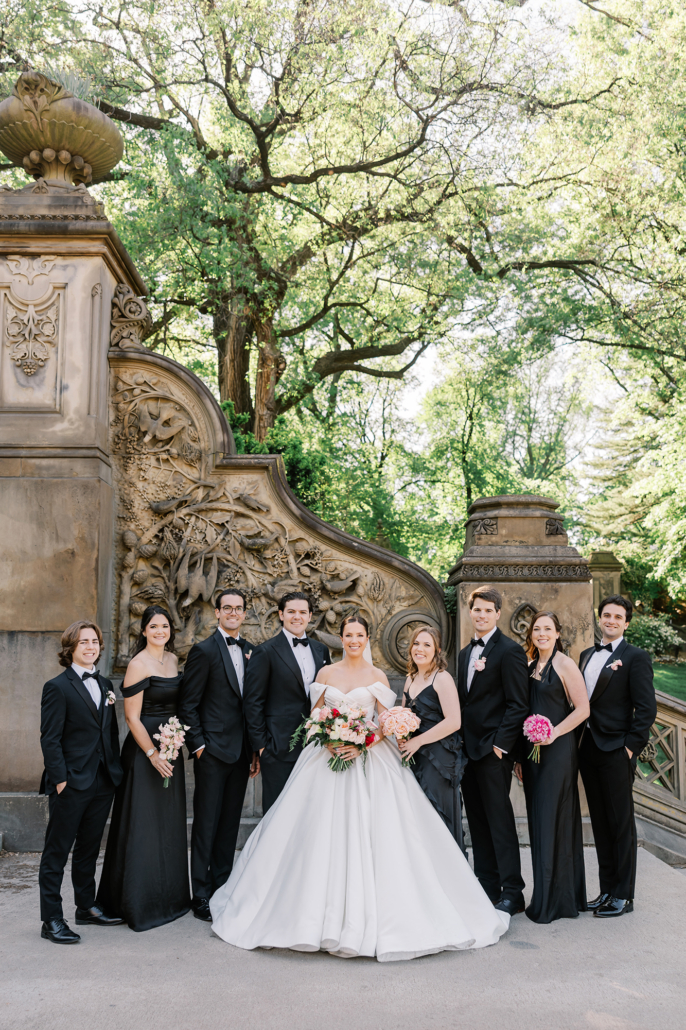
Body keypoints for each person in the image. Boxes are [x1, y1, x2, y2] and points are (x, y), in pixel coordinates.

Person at [209, 614, 509, 961]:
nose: (354, 640)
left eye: (359, 635)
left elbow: (385, 722)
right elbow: (315, 716)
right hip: (325, 757)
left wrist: (360, 742)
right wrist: (329, 738)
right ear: (342, 638)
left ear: (367, 638)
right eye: (348, 635)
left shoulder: (377, 676)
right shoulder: (326, 674)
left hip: (369, 759)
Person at [96, 606, 191, 931]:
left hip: (170, 748)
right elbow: (131, 717)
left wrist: (172, 744)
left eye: (164, 626)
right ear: (144, 630)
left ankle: (169, 900)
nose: (160, 631)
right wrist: (152, 754)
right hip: (144, 752)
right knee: (142, 825)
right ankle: (137, 903)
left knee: (167, 825)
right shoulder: (137, 664)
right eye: (154, 626)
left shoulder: (174, 660)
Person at [38, 621, 124, 944]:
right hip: (71, 783)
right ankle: (51, 919)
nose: (90, 647)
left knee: (89, 848)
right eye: (83, 642)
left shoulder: (105, 684)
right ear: (71, 648)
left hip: (102, 781)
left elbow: (110, 733)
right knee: (57, 852)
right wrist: (60, 781)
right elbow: (50, 739)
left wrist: (113, 773)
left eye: (94, 641)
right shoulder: (57, 687)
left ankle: (86, 907)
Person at [179, 589, 260, 923]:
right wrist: (199, 746)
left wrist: (254, 750)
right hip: (211, 752)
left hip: (241, 753)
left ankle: (221, 887)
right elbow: (188, 704)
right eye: (227, 608)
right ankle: (199, 893)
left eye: (238, 608)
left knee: (229, 825)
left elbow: (252, 704)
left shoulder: (252, 650)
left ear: (244, 614)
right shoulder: (203, 651)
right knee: (206, 824)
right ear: (217, 612)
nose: (233, 613)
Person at [578, 595, 656, 918]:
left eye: (617, 617)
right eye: (606, 615)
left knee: (621, 824)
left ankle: (624, 895)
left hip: (616, 751)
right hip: (587, 749)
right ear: (600, 618)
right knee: (600, 823)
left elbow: (646, 709)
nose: (611, 621)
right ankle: (607, 890)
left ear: (626, 623)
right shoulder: (586, 655)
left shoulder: (636, 657)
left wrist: (629, 748)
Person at [457, 586, 530, 916]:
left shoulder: (510, 651)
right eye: (477, 609)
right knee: (477, 821)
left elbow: (518, 704)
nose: (482, 615)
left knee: (500, 822)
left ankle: (513, 892)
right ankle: (487, 884)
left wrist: (500, 746)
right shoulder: (464, 654)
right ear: (470, 611)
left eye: (488, 610)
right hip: (467, 752)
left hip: (493, 752)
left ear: (498, 614)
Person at [515, 611, 590, 923]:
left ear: (558, 633)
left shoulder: (565, 664)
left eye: (547, 628)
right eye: (537, 629)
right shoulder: (529, 665)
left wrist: (554, 733)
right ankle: (549, 894)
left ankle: (554, 901)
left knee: (552, 819)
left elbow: (583, 709)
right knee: (539, 820)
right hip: (532, 755)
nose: (541, 633)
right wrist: (519, 757)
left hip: (558, 752)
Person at [242, 591, 331, 813]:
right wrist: (262, 747)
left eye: (302, 612)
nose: (297, 617)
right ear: (281, 614)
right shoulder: (265, 651)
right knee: (278, 812)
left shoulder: (321, 650)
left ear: (310, 616)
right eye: (291, 611)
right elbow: (253, 702)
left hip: (316, 746)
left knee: (311, 812)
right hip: (278, 748)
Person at [400, 626, 467, 851]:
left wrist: (418, 741)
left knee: (438, 814)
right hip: (414, 756)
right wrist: (401, 735)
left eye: (427, 645)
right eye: (416, 643)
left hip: (438, 758)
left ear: (437, 650)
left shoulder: (442, 678)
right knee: (419, 818)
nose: (420, 649)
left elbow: (454, 721)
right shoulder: (410, 678)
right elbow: (403, 717)